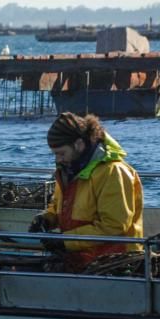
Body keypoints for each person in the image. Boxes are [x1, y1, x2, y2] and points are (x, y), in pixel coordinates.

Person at [29, 112, 143, 272]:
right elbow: (59, 205)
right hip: (79, 259)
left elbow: (114, 226)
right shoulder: (69, 170)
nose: (58, 159)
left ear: (79, 144)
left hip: (116, 262)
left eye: (61, 153)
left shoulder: (113, 172)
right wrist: (47, 219)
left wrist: (64, 241)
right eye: (55, 154)